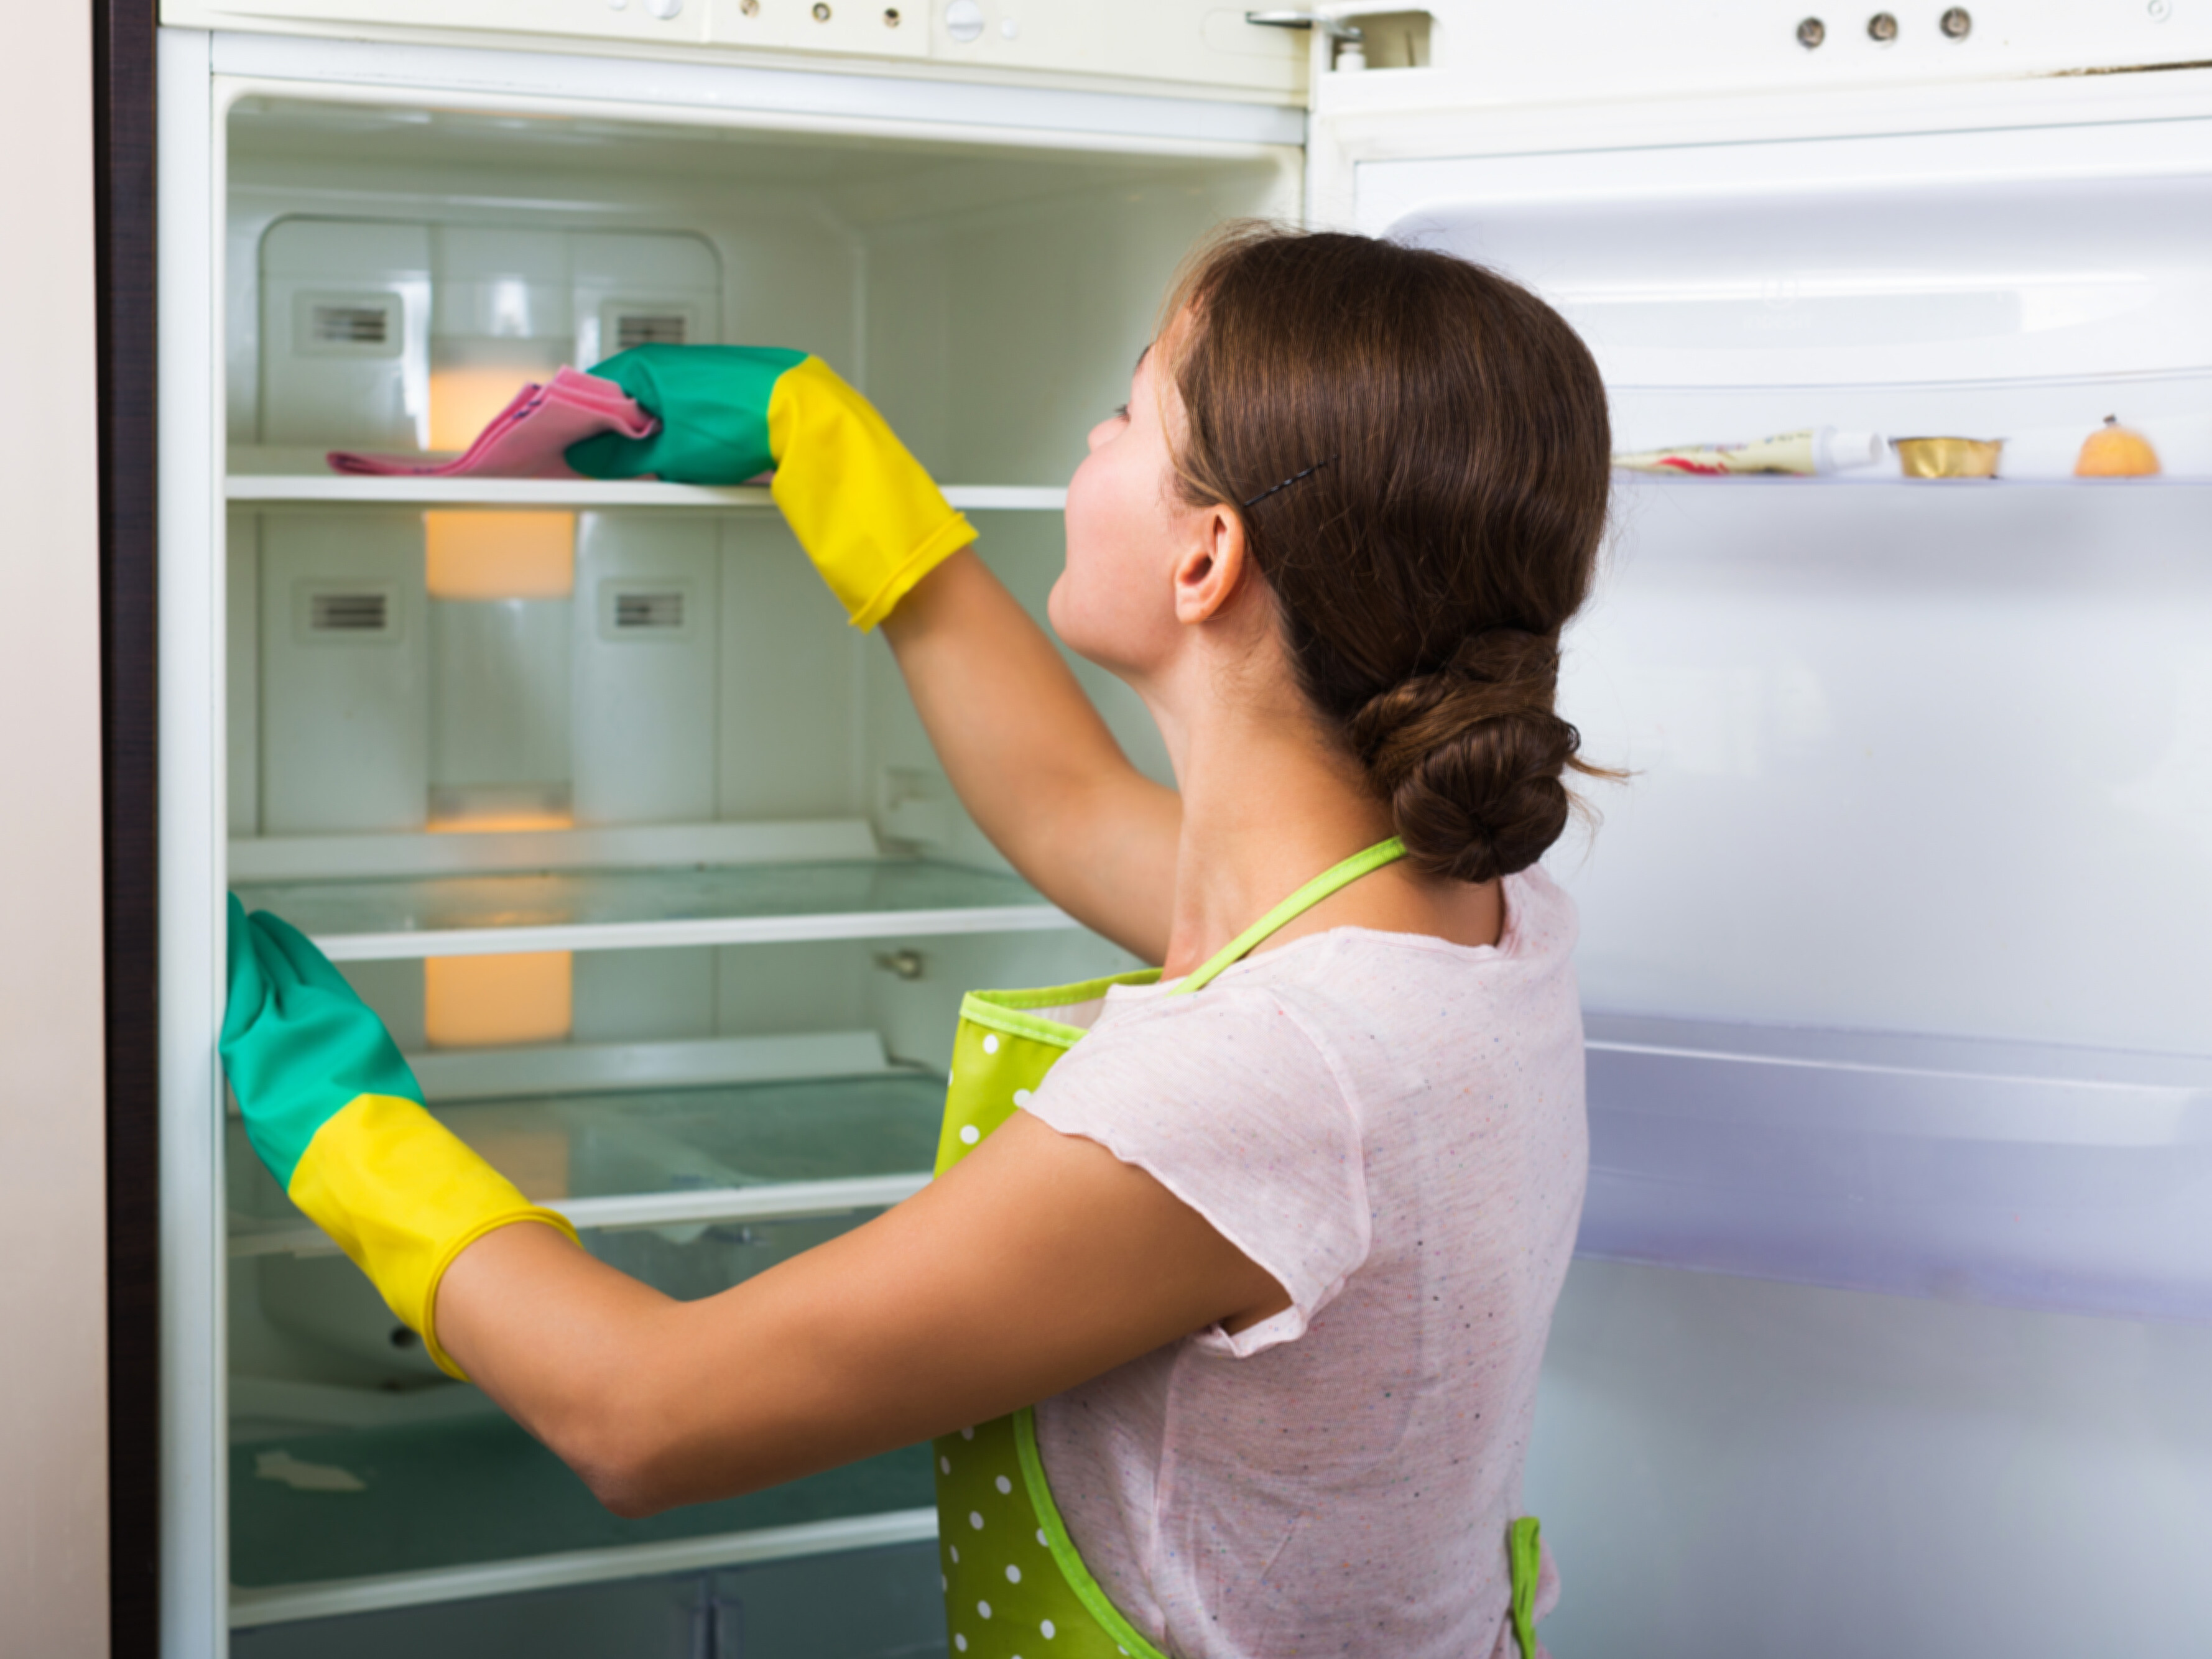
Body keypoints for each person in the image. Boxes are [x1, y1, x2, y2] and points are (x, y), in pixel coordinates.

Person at [222, 223, 1612, 1659]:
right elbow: (1065, 806)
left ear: (1206, 555)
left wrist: (339, 1119)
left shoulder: (1260, 1085)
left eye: (1133, 408)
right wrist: (831, 461)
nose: (1094, 428)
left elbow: (645, 1411)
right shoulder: (1454, 914)